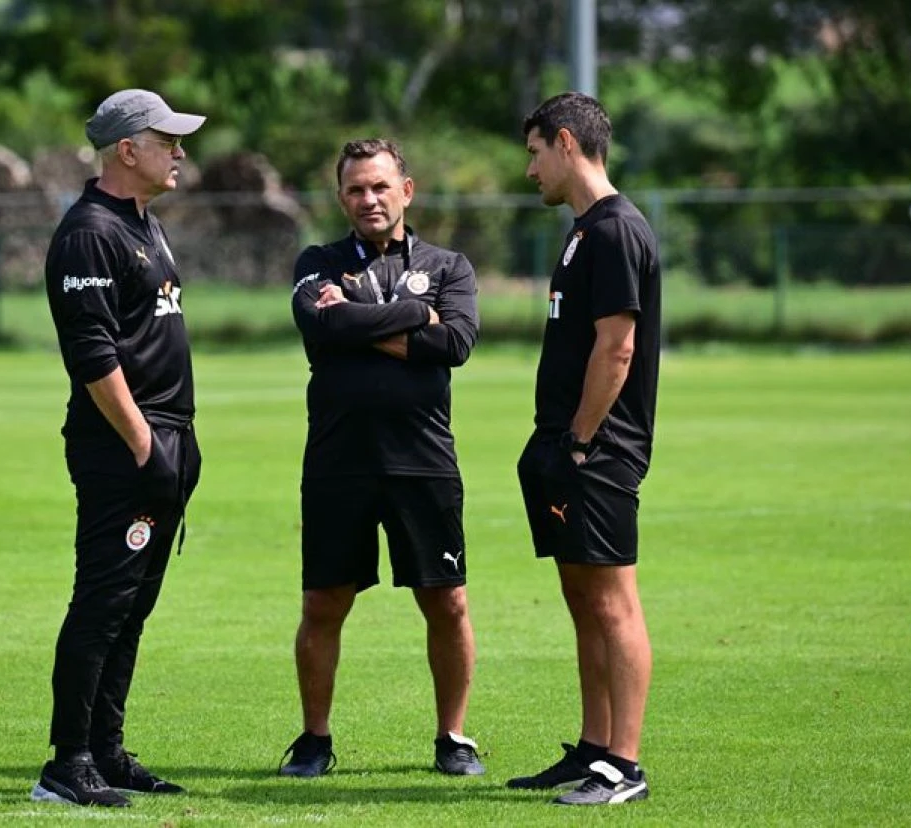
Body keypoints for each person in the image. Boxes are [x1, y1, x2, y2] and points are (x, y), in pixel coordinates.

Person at [278, 139, 483, 778]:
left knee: (447, 602)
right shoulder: (318, 262)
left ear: (406, 191)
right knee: (323, 604)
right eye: (356, 190)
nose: (369, 199)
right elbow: (322, 328)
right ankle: (315, 740)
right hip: (338, 460)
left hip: (424, 460)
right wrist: (413, 317)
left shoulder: (449, 265)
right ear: (341, 198)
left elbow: (456, 342)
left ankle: (453, 738)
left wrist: (360, 322)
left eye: (380, 187)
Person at [31, 89, 205, 808]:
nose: (180, 151)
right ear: (127, 150)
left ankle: (106, 750)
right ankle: (67, 764)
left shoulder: (143, 223)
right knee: (103, 603)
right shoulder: (89, 233)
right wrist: (142, 445)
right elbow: (93, 354)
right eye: (167, 140)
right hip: (124, 450)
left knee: (132, 607)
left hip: (166, 442)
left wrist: (172, 447)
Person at [506, 92, 662, 806]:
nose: (530, 169)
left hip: (597, 451)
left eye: (535, 152)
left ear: (566, 143)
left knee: (613, 603)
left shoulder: (616, 230)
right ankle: (595, 749)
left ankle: (624, 766)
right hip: (565, 446)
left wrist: (579, 441)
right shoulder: (582, 231)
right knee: (582, 598)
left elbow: (617, 347)